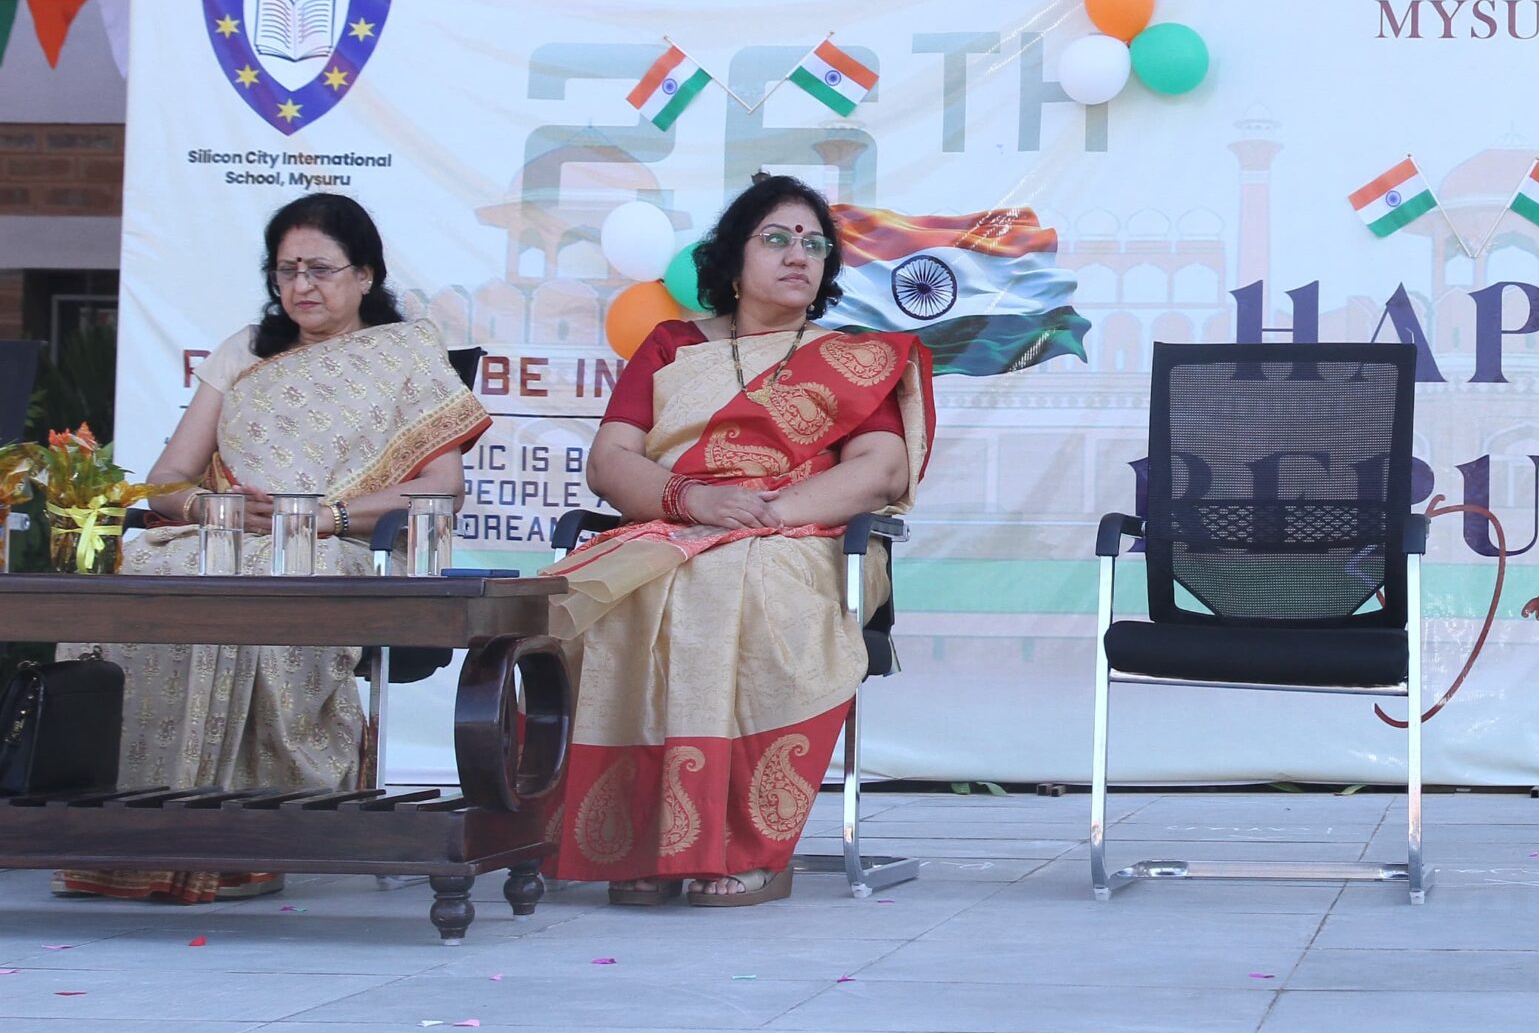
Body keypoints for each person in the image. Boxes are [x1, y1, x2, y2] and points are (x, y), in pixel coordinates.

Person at [56, 193, 488, 904]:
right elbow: (165, 482)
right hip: (224, 536)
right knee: (141, 567)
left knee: (273, 571)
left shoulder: (408, 355)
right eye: (286, 270)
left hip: (334, 546)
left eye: (321, 268)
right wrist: (207, 506)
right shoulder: (246, 350)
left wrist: (326, 516)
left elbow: (442, 489)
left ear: (365, 275)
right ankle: (117, 832)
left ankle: (248, 838)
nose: (301, 285)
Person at [550, 175, 932, 907]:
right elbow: (610, 461)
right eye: (777, 239)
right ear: (732, 259)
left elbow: (881, 470)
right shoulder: (671, 346)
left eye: (814, 245)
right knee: (626, 588)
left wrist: (761, 513)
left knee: (738, 573)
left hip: (803, 534)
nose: (799, 255)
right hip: (674, 522)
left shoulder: (852, 358)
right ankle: (640, 842)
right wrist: (694, 501)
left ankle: (749, 847)